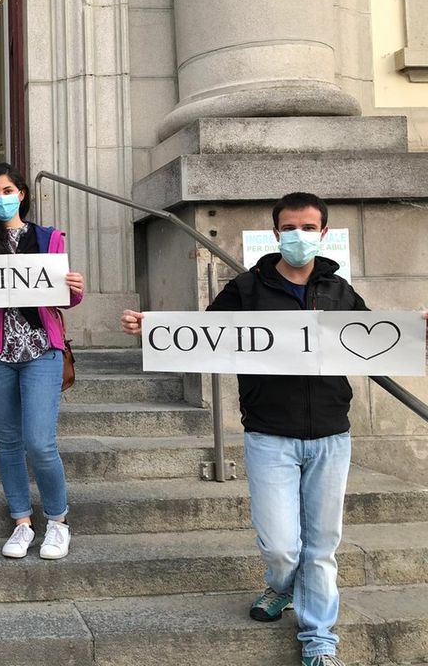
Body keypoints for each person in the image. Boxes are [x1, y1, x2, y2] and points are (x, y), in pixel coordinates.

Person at [121, 192, 428, 666]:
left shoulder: (339, 290)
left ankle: (319, 639)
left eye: (308, 228)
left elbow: (373, 339)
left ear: (323, 233)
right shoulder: (246, 288)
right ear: (275, 232)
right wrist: (154, 329)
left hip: (330, 434)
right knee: (283, 546)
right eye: (289, 228)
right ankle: (282, 585)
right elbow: (202, 337)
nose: (298, 236)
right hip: (269, 434)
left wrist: (416, 330)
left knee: (322, 546)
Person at [0, 163, 84, 561]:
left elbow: (64, 297)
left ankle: (58, 520)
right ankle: (21, 521)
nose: (0, 199)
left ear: (22, 193)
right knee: (8, 441)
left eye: (7, 191)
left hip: (41, 351)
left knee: (39, 443)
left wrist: (75, 289)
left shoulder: (48, 238)